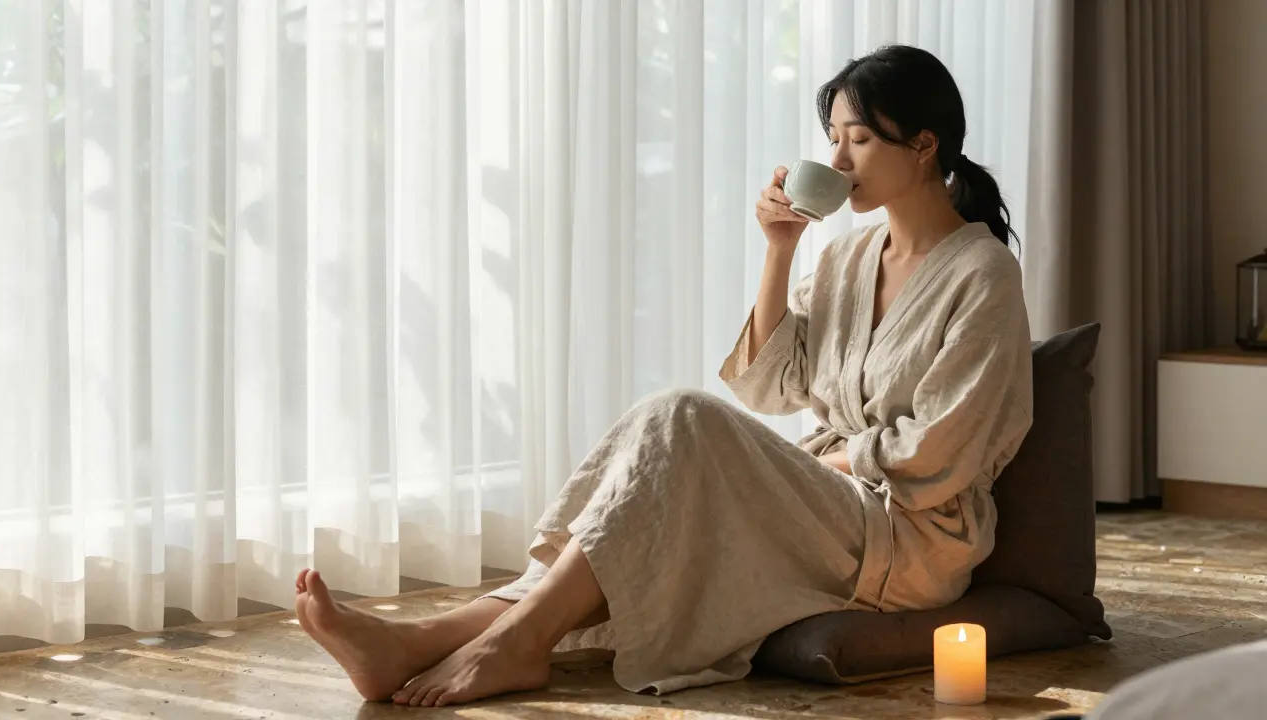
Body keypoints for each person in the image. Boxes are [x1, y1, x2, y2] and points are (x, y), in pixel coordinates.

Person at [292, 43, 1034, 708]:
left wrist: (815, 465)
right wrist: (780, 249)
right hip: (826, 502)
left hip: (906, 537)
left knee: (683, 419)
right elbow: (771, 387)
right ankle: (425, 640)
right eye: (832, 140)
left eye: (860, 139)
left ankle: (508, 643)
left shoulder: (983, 274)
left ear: (925, 144)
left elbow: (940, 451)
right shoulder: (845, 258)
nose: (838, 163)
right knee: (660, 454)